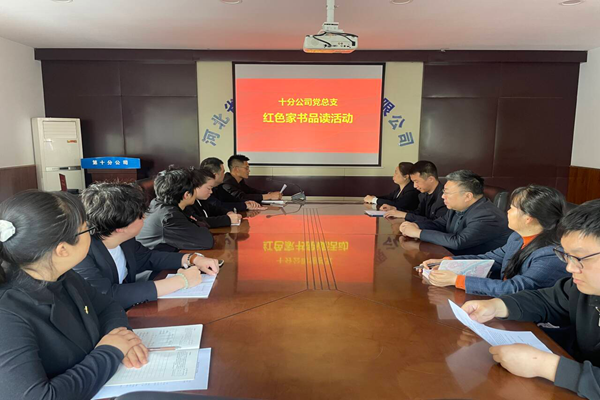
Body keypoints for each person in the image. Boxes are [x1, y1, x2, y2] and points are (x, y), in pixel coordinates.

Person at [0, 190, 146, 400]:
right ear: (62, 249)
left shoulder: (63, 275)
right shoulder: (6, 314)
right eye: (86, 229)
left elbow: (108, 306)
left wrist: (120, 336)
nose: (92, 235)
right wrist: (110, 351)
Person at [460, 199, 600, 399]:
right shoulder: (585, 287)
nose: (569, 268)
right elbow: (547, 300)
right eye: (566, 256)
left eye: (579, 258)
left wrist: (547, 366)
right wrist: (498, 305)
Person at [75, 182, 220, 310]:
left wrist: (191, 259)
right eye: (140, 216)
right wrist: (181, 281)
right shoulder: (81, 253)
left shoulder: (124, 240)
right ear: (120, 227)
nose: (145, 218)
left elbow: (148, 257)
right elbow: (108, 295)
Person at [421, 185, 568, 296]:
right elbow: (491, 259)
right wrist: (448, 262)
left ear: (528, 218)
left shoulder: (551, 253)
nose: (507, 211)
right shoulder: (517, 237)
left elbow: (515, 288)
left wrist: (457, 280)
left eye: (512, 208)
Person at [399, 170, 512, 256]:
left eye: (447, 193)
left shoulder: (488, 215)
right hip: (452, 257)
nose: (443, 196)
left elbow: (458, 242)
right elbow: (439, 224)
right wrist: (415, 225)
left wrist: (418, 233)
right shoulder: (458, 207)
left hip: (479, 267)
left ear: (467, 196)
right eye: (443, 191)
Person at [137, 166, 214, 251]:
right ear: (186, 195)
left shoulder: (157, 203)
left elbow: (200, 223)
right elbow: (206, 241)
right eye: (195, 188)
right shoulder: (170, 216)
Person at [200, 157, 265, 212]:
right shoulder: (203, 190)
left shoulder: (218, 186)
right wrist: (244, 205)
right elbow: (218, 206)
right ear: (214, 175)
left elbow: (230, 199)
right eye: (223, 172)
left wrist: (246, 203)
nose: (224, 175)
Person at [214, 154, 282, 203]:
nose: (249, 171)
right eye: (246, 168)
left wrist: (269, 193)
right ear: (236, 169)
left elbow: (250, 191)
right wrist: (269, 196)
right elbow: (242, 197)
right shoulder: (226, 183)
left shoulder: (239, 180)